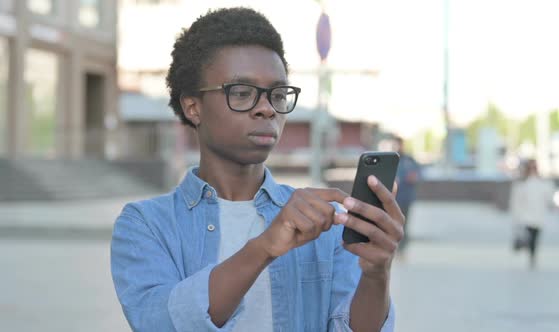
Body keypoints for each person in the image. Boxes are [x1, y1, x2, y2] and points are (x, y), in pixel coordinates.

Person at [110, 7, 404, 332]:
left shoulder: (325, 222)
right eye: (241, 92)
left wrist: (377, 273)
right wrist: (263, 247)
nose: (265, 108)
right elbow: (159, 324)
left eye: (277, 94)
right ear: (193, 107)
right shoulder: (146, 225)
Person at [509, 159, 554, 269]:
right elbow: (516, 201)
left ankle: (532, 256)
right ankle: (531, 255)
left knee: (535, 237)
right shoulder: (522, 184)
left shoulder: (542, 183)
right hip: (526, 216)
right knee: (531, 237)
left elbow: (549, 198)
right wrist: (516, 215)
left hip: (538, 215)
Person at [392, 136, 420, 256]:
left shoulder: (409, 160)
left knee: (404, 224)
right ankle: (394, 247)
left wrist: (414, 177)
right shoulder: (391, 159)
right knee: (393, 223)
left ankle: (402, 249)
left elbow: (417, 174)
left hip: (406, 197)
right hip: (393, 199)